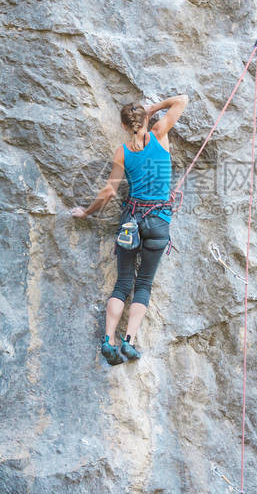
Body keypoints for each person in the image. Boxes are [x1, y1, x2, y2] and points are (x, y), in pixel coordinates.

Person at [71, 94, 189, 364]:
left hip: (131, 221)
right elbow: (182, 100)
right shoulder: (160, 134)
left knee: (123, 283)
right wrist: (153, 108)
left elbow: (109, 191)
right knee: (143, 283)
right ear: (147, 120)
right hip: (159, 222)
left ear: (124, 126)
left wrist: (87, 212)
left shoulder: (122, 152)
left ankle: (108, 339)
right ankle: (129, 342)